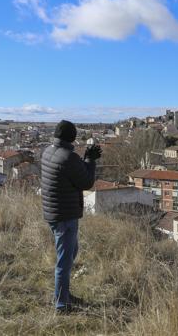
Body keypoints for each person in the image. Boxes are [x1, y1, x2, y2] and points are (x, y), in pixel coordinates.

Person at [40, 120, 102, 313]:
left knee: (71, 251)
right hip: (65, 215)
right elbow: (86, 182)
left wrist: (83, 160)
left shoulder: (48, 151)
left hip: (53, 211)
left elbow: (68, 175)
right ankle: (61, 304)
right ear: (72, 137)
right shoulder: (69, 158)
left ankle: (63, 293)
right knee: (64, 261)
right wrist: (90, 161)